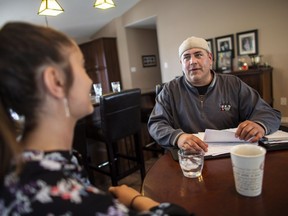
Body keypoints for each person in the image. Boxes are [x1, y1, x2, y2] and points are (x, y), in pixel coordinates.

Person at [0, 22, 190, 215]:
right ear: (56, 81)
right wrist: (136, 199)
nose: (90, 80)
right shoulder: (72, 202)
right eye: (82, 67)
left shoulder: (22, 165)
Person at [148, 36, 281, 152]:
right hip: (188, 157)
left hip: (228, 155)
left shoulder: (233, 84)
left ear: (210, 58)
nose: (192, 61)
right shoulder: (170, 90)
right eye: (186, 57)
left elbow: (269, 113)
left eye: (198, 55)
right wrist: (177, 137)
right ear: (182, 64)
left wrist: (259, 125)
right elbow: (156, 124)